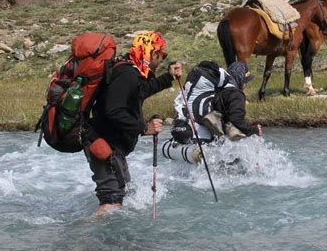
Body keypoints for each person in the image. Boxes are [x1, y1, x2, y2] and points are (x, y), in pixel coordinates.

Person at [85, 31, 182, 214]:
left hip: (113, 147)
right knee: (111, 202)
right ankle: (82, 238)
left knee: (123, 196)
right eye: (162, 54)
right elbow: (113, 110)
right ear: (152, 52)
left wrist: (168, 77)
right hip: (103, 144)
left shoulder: (130, 71)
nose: (162, 60)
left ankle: (110, 240)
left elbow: (142, 91)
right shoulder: (127, 74)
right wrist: (143, 128)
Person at [205, 61, 262, 140]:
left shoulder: (219, 91)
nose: (245, 85)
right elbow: (235, 119)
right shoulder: (236, 94)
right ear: (240, 77)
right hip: (229, 141)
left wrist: (247, 124)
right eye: (245, 81)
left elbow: (226, 118)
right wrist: (253, 130)